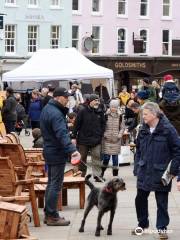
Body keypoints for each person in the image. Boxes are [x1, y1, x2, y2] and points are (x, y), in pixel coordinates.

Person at [132, 102, 180, 240]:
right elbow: (139, 149)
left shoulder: (168, 129)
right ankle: (142, 224)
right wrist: (137, 166)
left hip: (161, 172)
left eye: (145, 114)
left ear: (154, 114)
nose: (143, 116)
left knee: (162, 202)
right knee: (140, 199)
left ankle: (162, 229)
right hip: (144, 170)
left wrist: (174, 173)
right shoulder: (143, 129)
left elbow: (177, 152)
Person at [40, 87, 81, 226]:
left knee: (52, 183)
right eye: (65, 97)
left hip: (50, 150)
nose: (67, 100)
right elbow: (61, 134)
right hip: (56, 151)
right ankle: (52, 216)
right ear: (57, 97)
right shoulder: (55, 112)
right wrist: (72, 150)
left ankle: (49, 213)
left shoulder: (48, 109)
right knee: (55, 184)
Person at [72, 94, 106, 181]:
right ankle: (81, 175)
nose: (97, 102)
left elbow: (103, 124)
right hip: (83, 140)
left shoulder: (100, 111)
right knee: (82, 158)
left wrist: (100, 134)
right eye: (95, 100)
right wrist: (73, 136)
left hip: (96, 139)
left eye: (98, 100)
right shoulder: (82, 111)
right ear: (90, 101)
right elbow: (76, 125)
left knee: (96, 157)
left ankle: (97, 176)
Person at [101, 99, 125, 178]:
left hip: (116, 140)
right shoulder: (105, 115)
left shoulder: (120, 116)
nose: (113, 109)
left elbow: (122, 128)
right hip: (107, 140)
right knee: (106, 158)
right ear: (110, 107)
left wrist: (120, 135)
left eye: (115, 107)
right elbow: (102, 126)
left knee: (115, 159)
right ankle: (102, 173)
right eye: (112, 107)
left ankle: (115, 175)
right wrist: (104, 133)